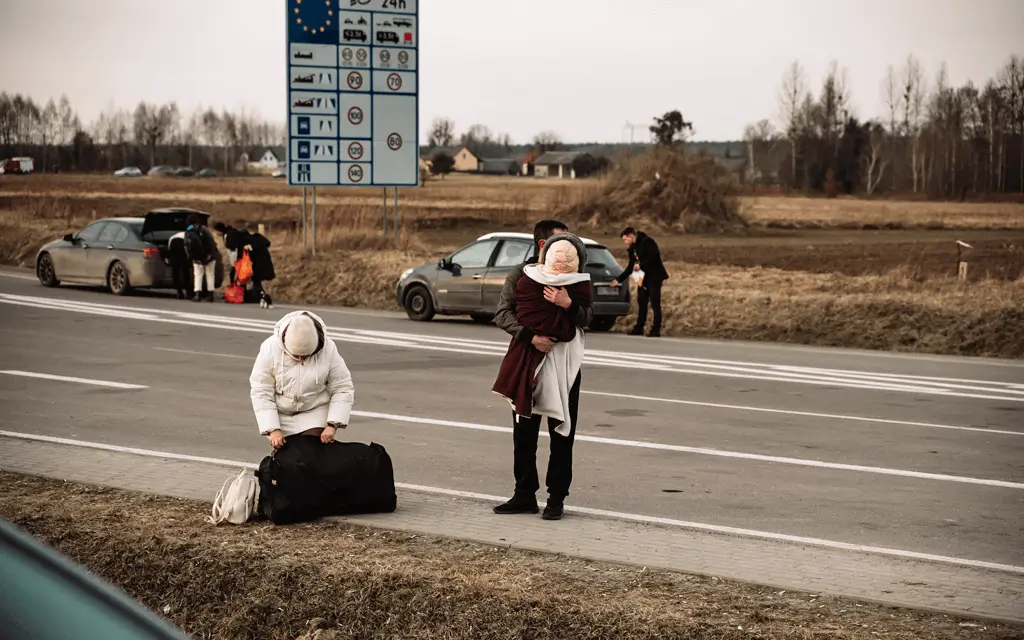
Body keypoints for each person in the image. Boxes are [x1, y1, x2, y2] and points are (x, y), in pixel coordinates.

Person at [493, 221, 594, 521]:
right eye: (560, 241)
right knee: (524, 432)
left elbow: (588, 316)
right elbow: (503, 314)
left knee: (562, 433)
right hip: (528, 359)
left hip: (565, 367)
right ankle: (524, 494)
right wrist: (531, 337)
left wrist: (568, 304)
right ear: (543, 246)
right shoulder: (521, 276)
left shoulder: (576, 278)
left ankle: (556, 499)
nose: (569, 246)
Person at [249, 310, 354, 450]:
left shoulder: (328, 349)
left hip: (314, 410)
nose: (300, 359)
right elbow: (261, 390)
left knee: (309, 453)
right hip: (281, 413)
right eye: (296, 355)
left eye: (305, 356)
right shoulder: (269, 348)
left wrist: (332, 424)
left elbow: (342, 387)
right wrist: (272, 429)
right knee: (287, 460)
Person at [611, 227, 669, 337]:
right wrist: (618, 279)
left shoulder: (648, 242)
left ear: (631, 236)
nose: (625, 242)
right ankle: (639, 327)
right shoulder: (633, 248)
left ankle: (656, 329)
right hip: (642, 278)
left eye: (625, 239)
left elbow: (653, 258)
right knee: (641, 302)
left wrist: (640, 264)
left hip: (654, 277)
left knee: (655, 303)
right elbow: (630, 267)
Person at [213, 222, 276, 307]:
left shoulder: (248, 241)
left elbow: (242, 255)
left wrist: (251, 247)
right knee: (255, 281)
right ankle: (256, 296)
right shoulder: (254, 239)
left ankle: (259, 297)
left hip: (257, 263)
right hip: (258, 263)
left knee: (255, 280)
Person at [184, 214, 218, 302]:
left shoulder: (188, 230)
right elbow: (211, 243)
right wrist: (209, 255)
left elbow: (186, 246)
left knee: (198, 275)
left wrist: (191, 257)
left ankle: (197, 295)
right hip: (209, 257)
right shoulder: (204, 229)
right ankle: (210, 295)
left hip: (196, 258)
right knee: (210, 274)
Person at [166, 230, 193, 300]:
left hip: (173, 246)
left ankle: (179, 292)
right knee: (185, 271)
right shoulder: (191, 235)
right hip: (182, 246)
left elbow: (169, 249)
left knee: (175, 272)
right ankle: (189, 293)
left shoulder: (173, 236)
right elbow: (190, 248)